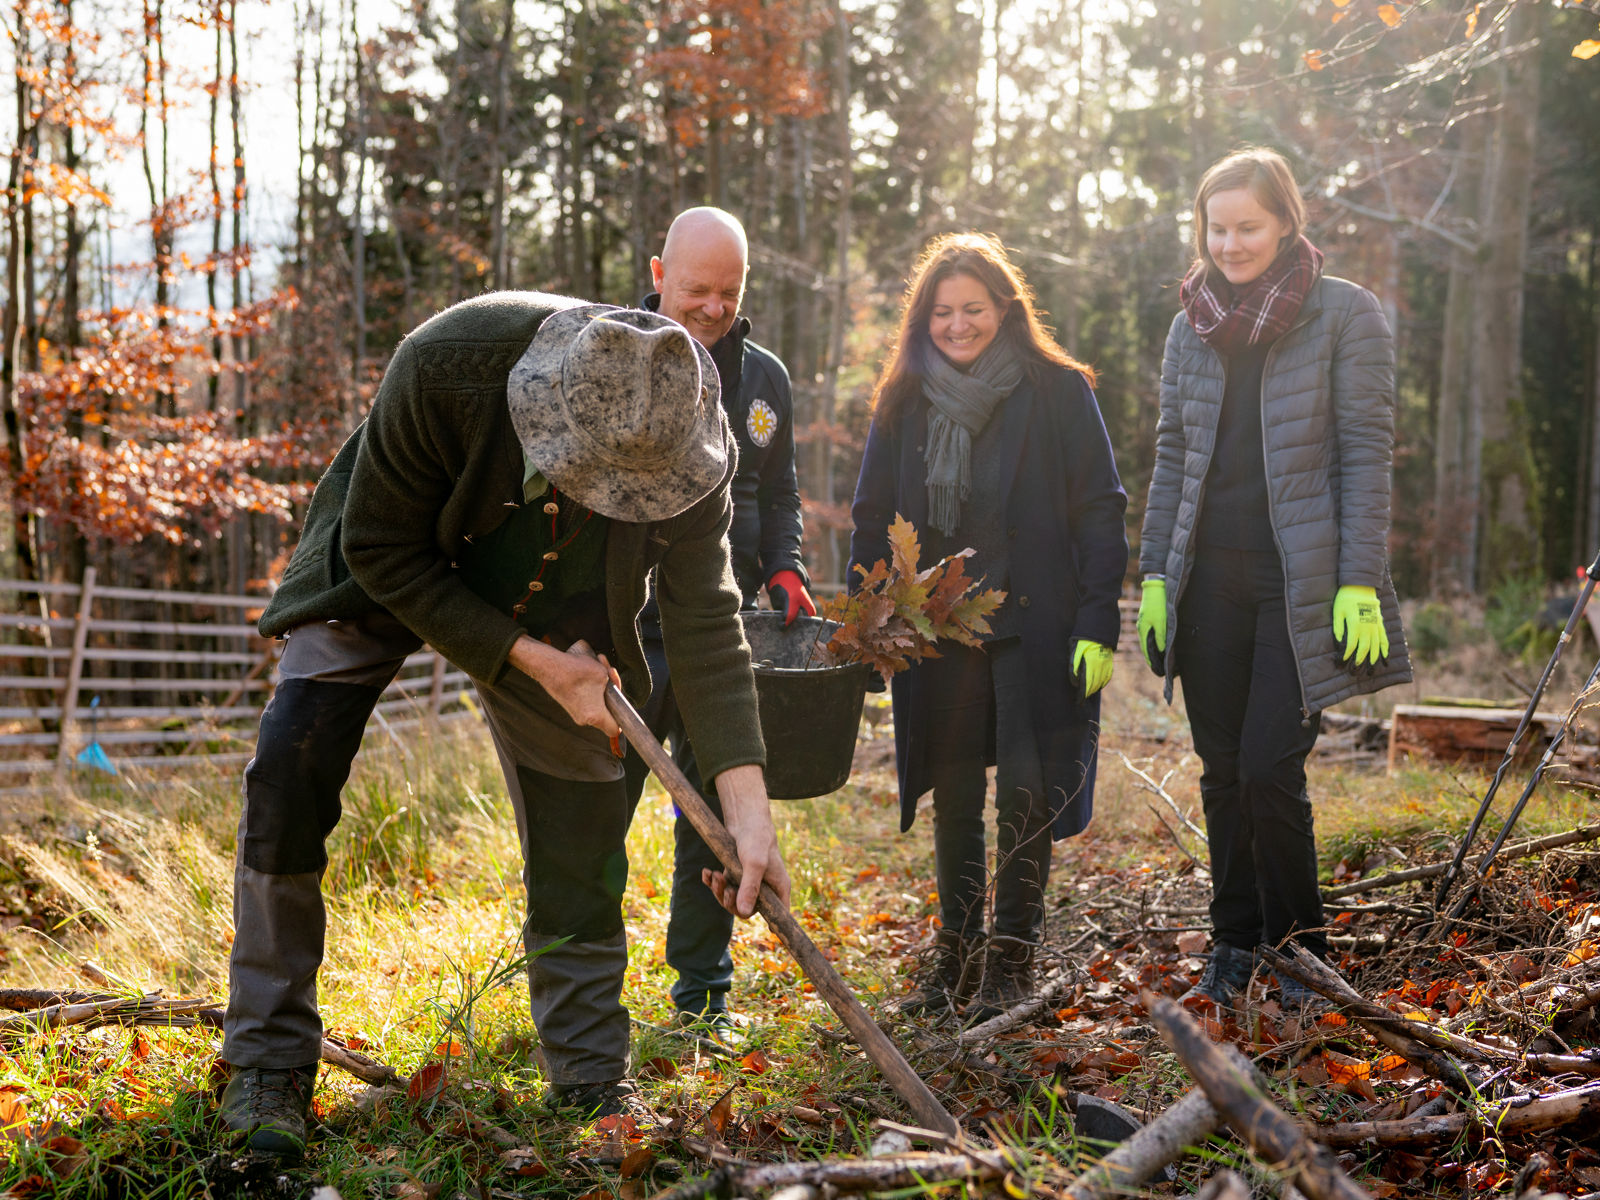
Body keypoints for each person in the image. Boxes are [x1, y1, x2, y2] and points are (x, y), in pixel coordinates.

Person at [220, 293, 791, 1158]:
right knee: (290, 764)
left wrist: (748, 812)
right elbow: (380, 548)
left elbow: (707, 624)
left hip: (558, 592)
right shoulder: (447, 366)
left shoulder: (686, 426)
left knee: (584, 814)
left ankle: (591, 1072)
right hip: (396, 558)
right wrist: (528, 658)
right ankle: (267, 1059)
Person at [1135, 147, 1411, 1011]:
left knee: (1267, 766)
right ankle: (1234, 942)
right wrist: (1153, 575)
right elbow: (1173, 454)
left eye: (1248, 227)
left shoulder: (1342, 315)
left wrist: (1358, 581)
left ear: (1287, 221)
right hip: (1207, 577)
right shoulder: (1192, 323)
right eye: (1217, 228)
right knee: (1220, 769)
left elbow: (1367, 454)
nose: (1231, 244)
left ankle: (1301, 953)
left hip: (1302, 585)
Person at [848, 233, 1128, 1021]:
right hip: (938, 635)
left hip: (1038, 625)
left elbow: (1100, 506)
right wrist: (873, 614)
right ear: (922, 318)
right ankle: (956, 959)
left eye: (973, 309)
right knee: (956, 795)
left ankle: (1011, 961)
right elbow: (872, 516)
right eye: (942, 312)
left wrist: (1099, 620)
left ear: (1004, 308)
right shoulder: (904, 398)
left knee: (1029, 793)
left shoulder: (1058, 389)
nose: (958, 325)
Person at [621, 207, 813, 1036]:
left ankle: (702, 998)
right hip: (625, 627)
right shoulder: (612, 355)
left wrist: (785, 563)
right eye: (695, 288)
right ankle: (581, 999)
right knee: (595, 810)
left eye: (728, 292)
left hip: (718, 631)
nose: (711, 306)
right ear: (659, 275)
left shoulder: (764, 378)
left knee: (713, 816)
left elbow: (779, 489)